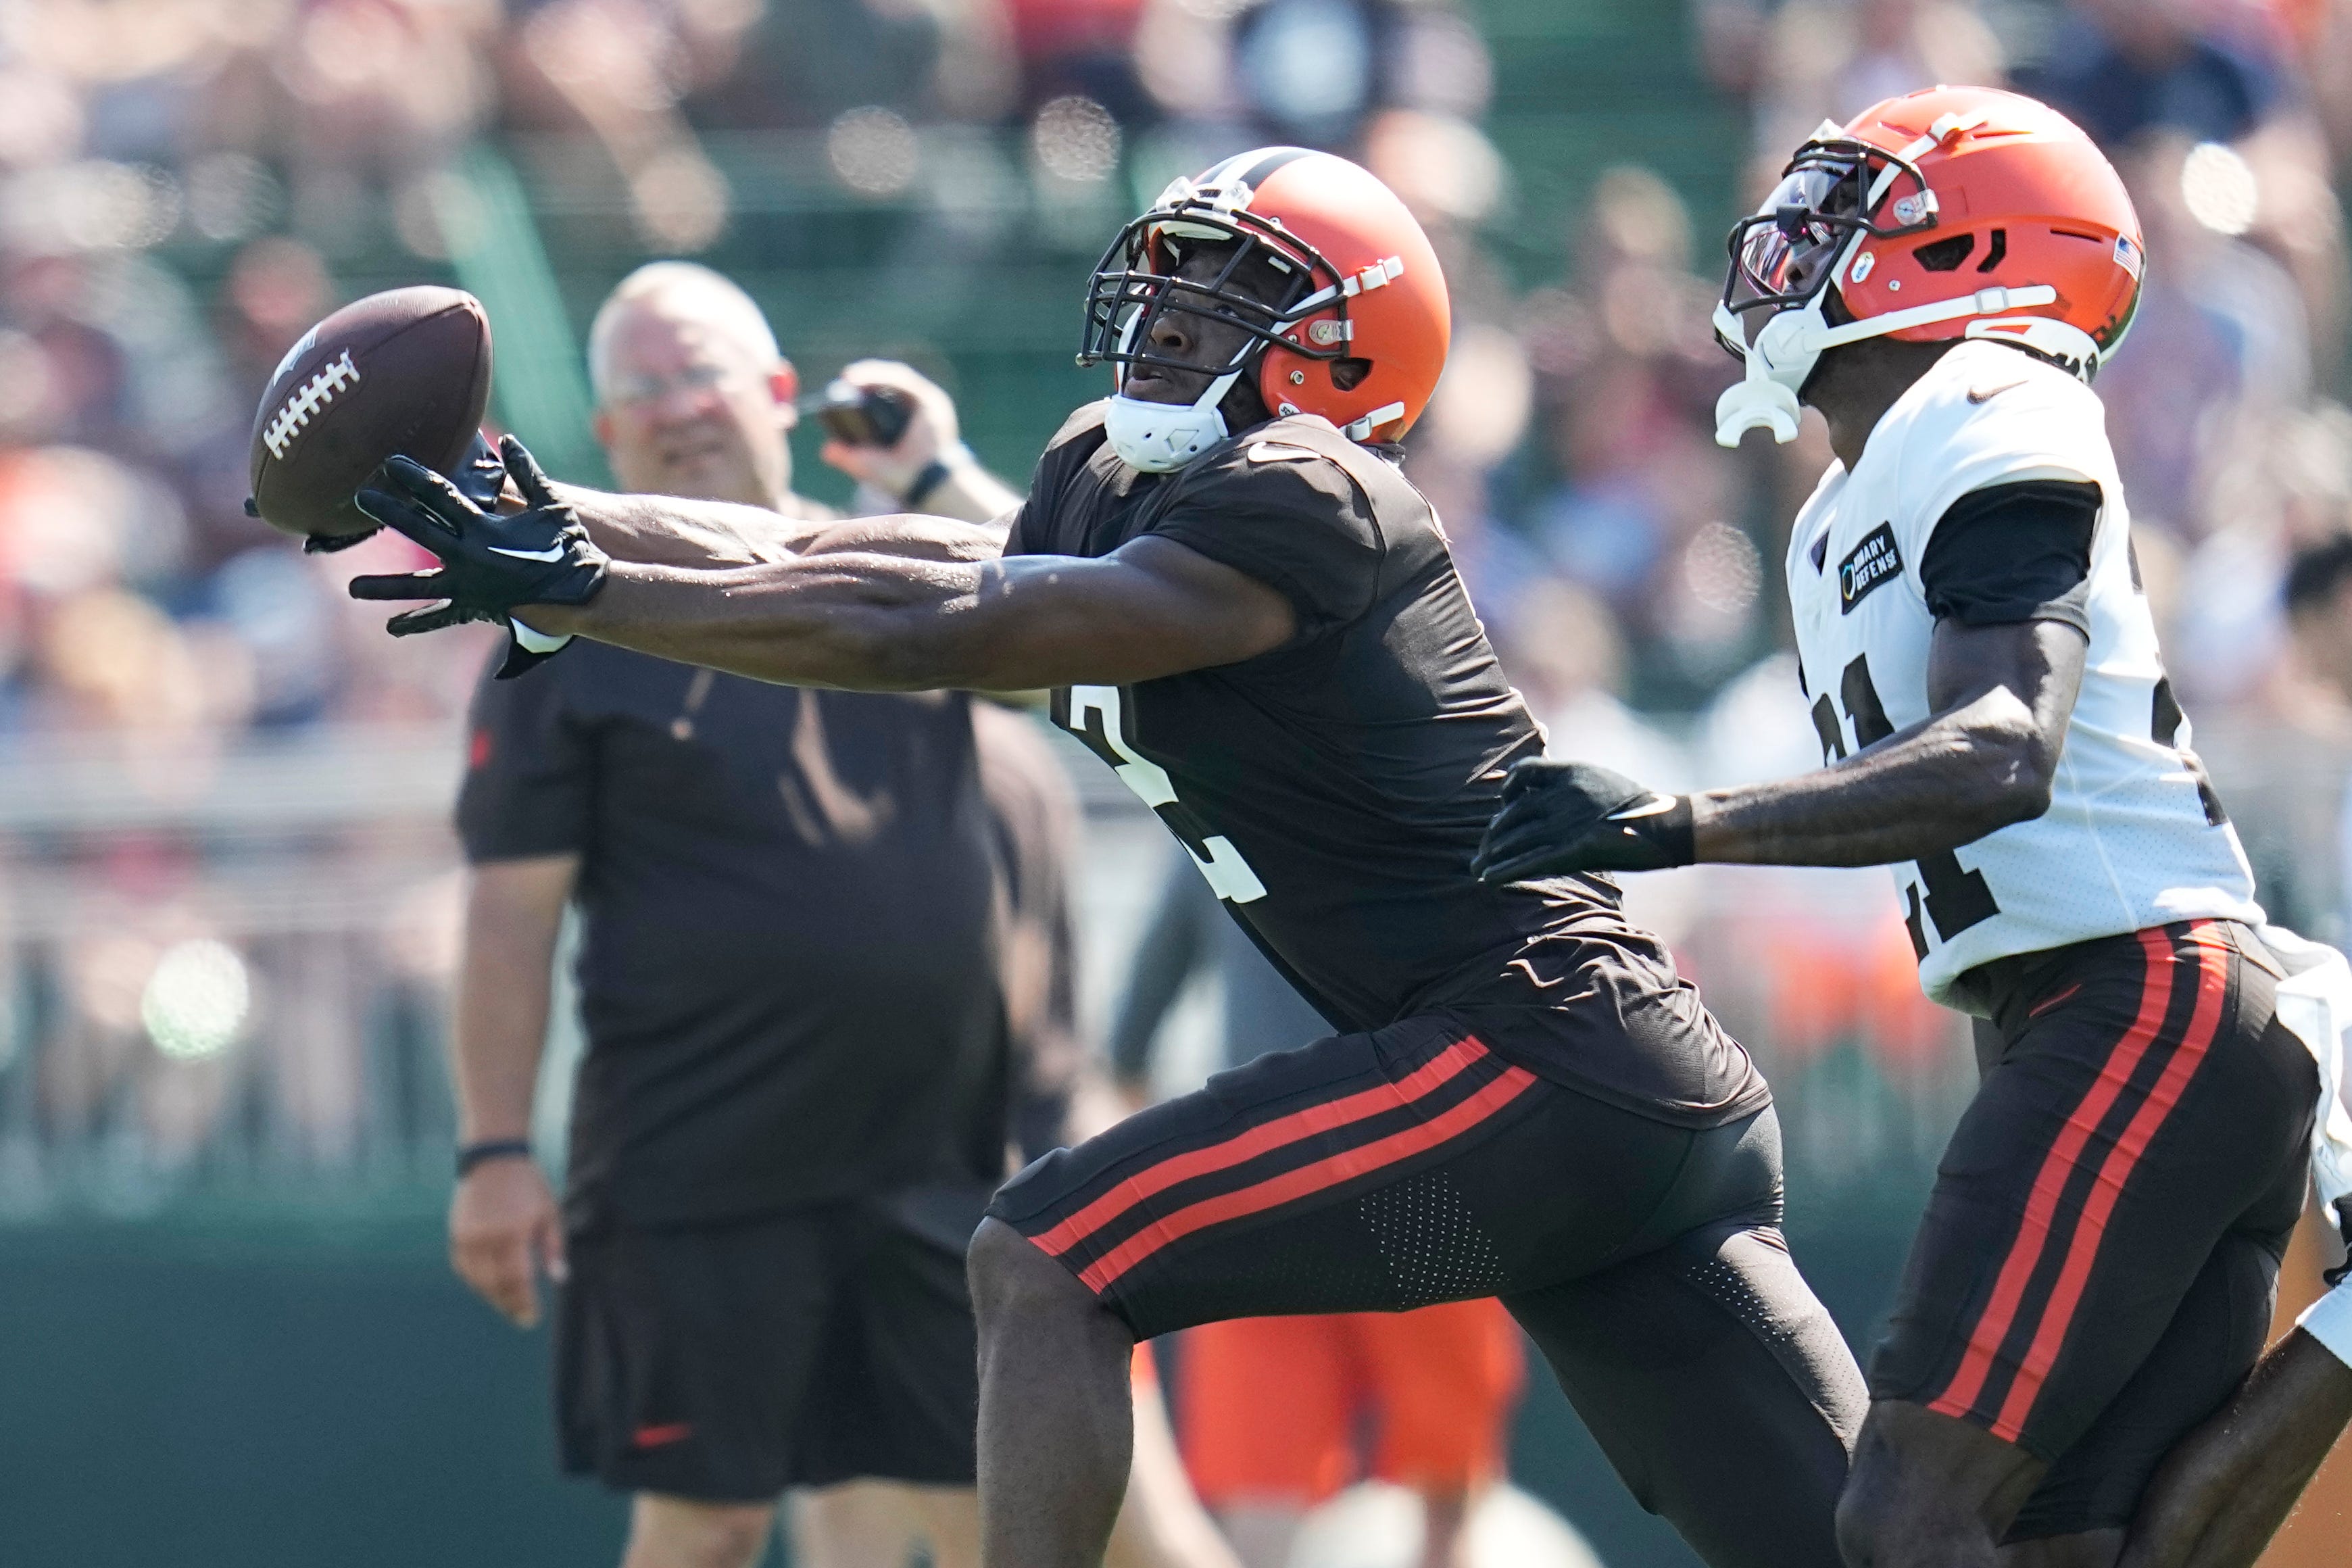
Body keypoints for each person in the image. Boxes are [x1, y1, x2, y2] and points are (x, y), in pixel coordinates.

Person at [346, 146, 1869, 1568]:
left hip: (1541, 1055)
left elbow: (944, 627)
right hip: (1584, 1094)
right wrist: (543, 518)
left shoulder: (1318, 496)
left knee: (1051, 1251)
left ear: (1343, 353)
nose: (1160, 318)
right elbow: (847, 556)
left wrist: (590, 585)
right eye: (1166, 276)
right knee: (1871, 1534)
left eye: (1226, 294)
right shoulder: (1119, 482)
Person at [1474, 84, 2352, 1568]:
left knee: (1902, 1514)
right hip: (2099, 1004)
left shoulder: (1997, 397)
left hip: (2137, 995)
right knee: (2078, 1547)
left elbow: (2002, 749)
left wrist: (1679, 822)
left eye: (1848, 216)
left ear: (1978, 255)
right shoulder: (1836, 507)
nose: (1792, 244)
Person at [443, 258, 1028, 1568]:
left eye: (700, 368)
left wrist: (934, 476)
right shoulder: (561, 627)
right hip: (696, 1170)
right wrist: (491, 1149)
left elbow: (1080, 621)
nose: (678, 405)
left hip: (930, 1162)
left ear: (779, 392)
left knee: (1005, 1519)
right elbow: (506, 915)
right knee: (704, 1528)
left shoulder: (889, 562)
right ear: (605, 435)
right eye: (642, 386)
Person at [1107, 859, 1526, 1568]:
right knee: (1444, 1496)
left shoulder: (1214, 791)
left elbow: (1130, 1039)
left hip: (1262, 1182)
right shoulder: (1429, 785)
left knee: (1263, 1512)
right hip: (1424, 1173)